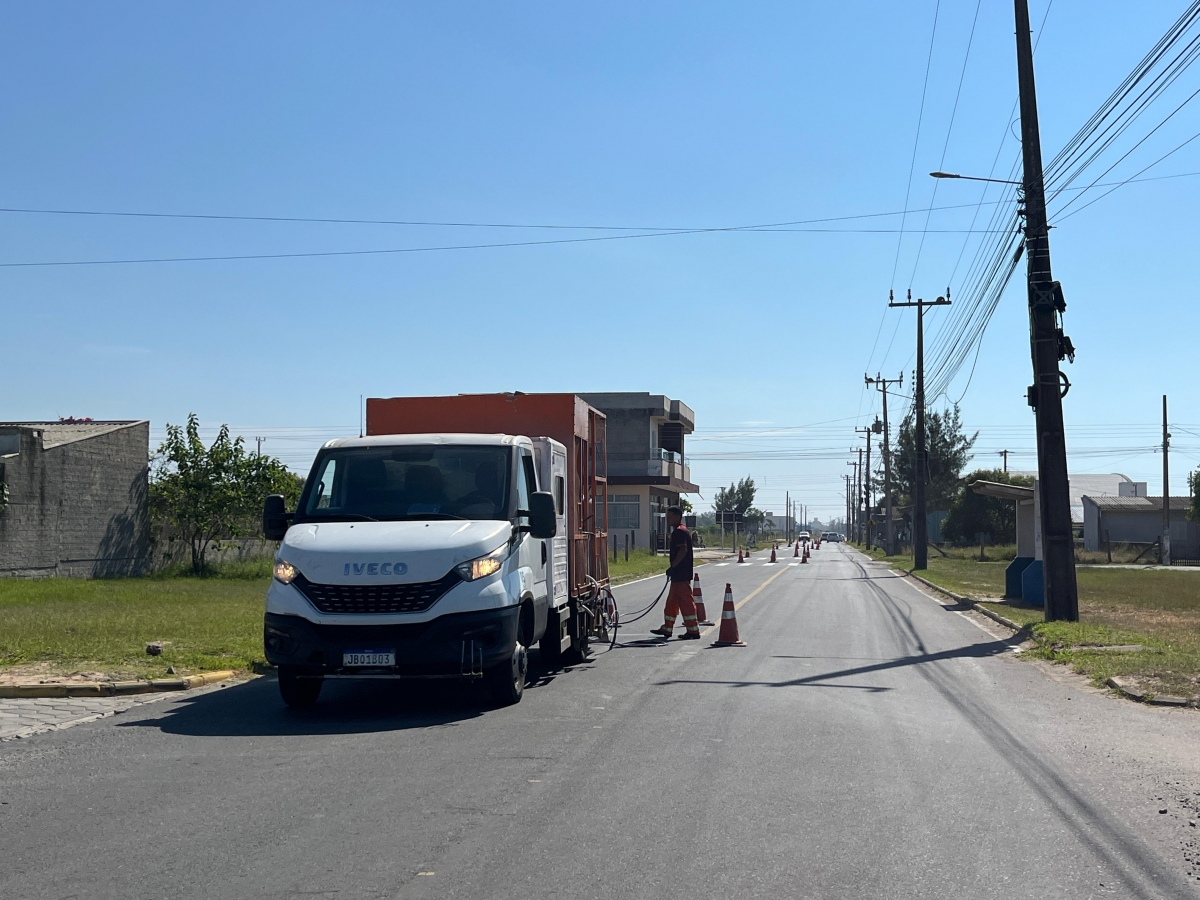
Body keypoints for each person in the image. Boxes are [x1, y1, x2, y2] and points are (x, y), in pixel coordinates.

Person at [651, 507, 700, 640]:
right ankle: (667, 627)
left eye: (670, 516)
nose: (668, 519)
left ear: (677, 516)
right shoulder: (680, 531)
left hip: (681, 573)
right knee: (672, 601)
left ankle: (693, 630)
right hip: (679, 574)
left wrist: (673, 566)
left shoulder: (679, 532)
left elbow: (683, 551)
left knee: (685, 601)